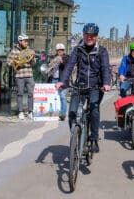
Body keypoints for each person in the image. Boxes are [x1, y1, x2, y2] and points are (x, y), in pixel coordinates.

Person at [56, 23, 111, 153]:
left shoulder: (101, 51)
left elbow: (105, 68)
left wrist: (106, 83)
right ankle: (75, 135)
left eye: (92, 35)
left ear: (96, 36)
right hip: (79, 85)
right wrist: (62, 81)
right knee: (72, 113)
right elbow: (69, 66)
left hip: (95, 86)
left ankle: (94, 139)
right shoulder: (77, 50)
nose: (89, 37)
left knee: (94, 110)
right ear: (83, 35)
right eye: (87, 35)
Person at [7, 34, 36, 120]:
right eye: (25, 41)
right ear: (20, 42)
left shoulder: (30, 51)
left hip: (29, 74)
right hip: (19, 75)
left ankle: (30, 111)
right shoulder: (14, 51)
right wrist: (16, 61)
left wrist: (32, 57)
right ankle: (20, 111)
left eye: (27, 41)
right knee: (20, 94)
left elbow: (33, 64)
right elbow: (8, 62)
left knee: (31, 93)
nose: (26, 42)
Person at [45, 43, 69, 121]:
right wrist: (51, 63)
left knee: (62, 97)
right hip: (54, 79)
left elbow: (67, 65)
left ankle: (63, 114)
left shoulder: (66, 57)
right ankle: (53, 113)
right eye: (58, 50)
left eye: (61, 50)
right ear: (56, 50)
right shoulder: (53, 57)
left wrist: (61, 60)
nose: (60, 51)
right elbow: (48, 65)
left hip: (62, 80)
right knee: (53, 96)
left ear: (63, 50)